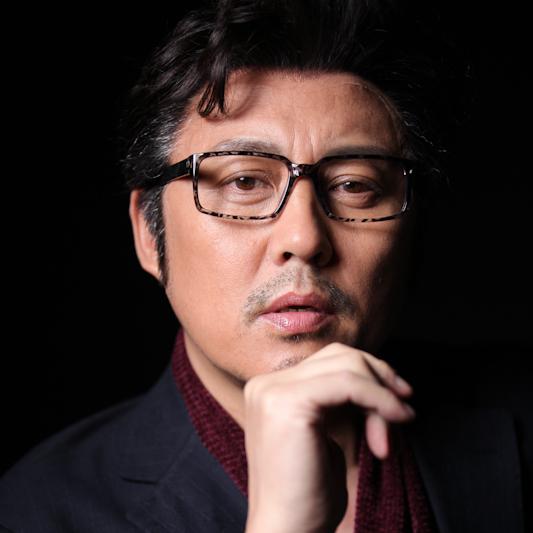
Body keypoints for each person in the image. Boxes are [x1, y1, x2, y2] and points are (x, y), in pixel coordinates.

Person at [1, 0, 531, 532]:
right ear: (147, 232)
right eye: (245, 182)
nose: (304, 238)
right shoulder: (37, 510)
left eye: (354, 185)